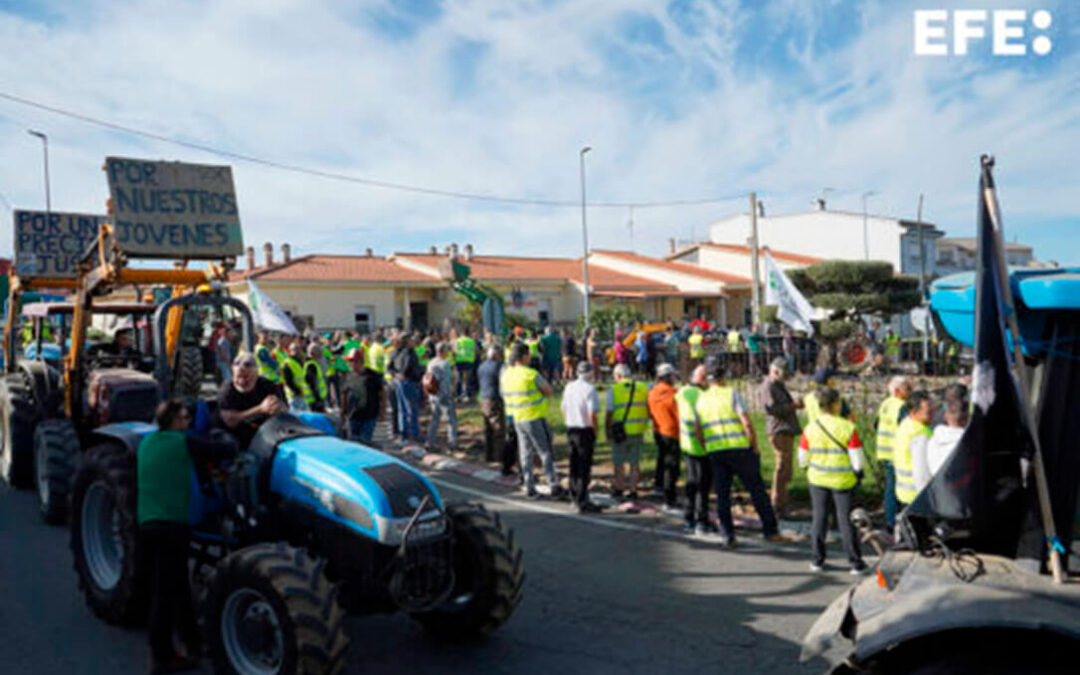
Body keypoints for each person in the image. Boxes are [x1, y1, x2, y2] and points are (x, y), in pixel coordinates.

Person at [139, 399, 236, 673]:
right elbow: (223, 450)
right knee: (164, 593)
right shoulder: (183, 442)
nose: (188, 422)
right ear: (172, 421)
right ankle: (160, 658)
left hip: (146, 524)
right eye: (184, 418)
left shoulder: (147, 443)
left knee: (178, 585)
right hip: (171, 527)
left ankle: (192, 642)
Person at [695, 363, 781, 547]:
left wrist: (706, 447)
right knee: (757, 490)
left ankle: (727, 535)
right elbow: (746, 423)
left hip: (716, 451)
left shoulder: (701, 399)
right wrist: (754, 445)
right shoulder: (731, 393)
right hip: (740, 449)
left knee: (722, 495)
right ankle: (770, 530)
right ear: (723, 377)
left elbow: (697, 430)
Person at [798, 387, 868, 574]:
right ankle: (855, 563)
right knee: (846, 522)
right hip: (842, 481)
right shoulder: (847, 427)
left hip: (818, 479)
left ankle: (817, 560)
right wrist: (858, 472)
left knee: (819, 519)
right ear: (836, 404)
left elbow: (802, 457)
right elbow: (857, 458)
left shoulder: (811, 428)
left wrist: (809, 469)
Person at [501, 343, 563, 499]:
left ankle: (529, 486)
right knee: (544, 451)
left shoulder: (506, 375)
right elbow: (548, 391)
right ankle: (553, 484)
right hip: (533, 416)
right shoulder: (531, 374)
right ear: (523, 357)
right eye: (528, 355)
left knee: (525, 453)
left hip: (517, 417)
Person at [759, 357, 803, 518]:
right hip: (779, 431)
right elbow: (771, 408)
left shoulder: (778, 385)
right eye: (785, 375)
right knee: (781, 468)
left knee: (786, 469)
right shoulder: (768, 387)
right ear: (775, 371)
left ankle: (782, 502)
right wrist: (793, 406)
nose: (787, 378)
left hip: (785, 430)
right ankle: (777, 504)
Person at [218, 353, 287, 449]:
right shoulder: (227, 390)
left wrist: (278, 408)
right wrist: (260, 409)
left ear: (256, 372)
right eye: (238, 377)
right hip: (236, 438)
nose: (241, 381)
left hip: (266, 433)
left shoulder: (268, 386)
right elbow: (229, 420)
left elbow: (285, 409)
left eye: (245, 377)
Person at [561, 361, 603, 513]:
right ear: (590, 373)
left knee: (574, 463)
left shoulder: (569, 387)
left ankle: (574, 495)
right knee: (584, 466)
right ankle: (582, 498)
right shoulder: (590, 389)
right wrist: (596, 431)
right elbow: (592, 413)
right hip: (585, 429)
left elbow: (564, 408)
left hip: (571, 428)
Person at [605, 363, 649, 500]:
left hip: (620, 431)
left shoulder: (614, 390)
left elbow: (609, 413)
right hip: (638, 429)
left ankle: (619, 487)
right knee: (634, 462)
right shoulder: (643, 387)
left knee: (619, 462)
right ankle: (633, 489)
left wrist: (607, 430)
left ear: (618, 376)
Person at [677, 364, 710, 534]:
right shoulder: (702, 395)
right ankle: (701, 520)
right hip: (702, 446)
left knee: (691, 482)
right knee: (702, 485)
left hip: (686, 443)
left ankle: (688, 516)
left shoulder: (682, 392)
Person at [875, 376, 911, 529]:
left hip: (885, 451)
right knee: (899, 489)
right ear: (897, 391)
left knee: (890, 487)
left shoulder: (885, 404)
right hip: (897, 453)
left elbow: (876, 424)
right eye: (907, 388)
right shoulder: (902, 406)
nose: (910, 391)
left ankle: (890, 520)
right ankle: (896, 522)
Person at [648, 363, 682, 514]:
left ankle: (659, 485)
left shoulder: (653, 392)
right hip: (672, 432)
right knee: (672, 465)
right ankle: (670, 496)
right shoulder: (673, 393)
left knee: (661, 459)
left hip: (657, 430)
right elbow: (679, 415)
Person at [893, 390, 936, 508]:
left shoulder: (906, 425)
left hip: (904, 492)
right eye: (928, 412)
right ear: (914, 412)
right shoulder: (919, 435)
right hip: (917, 496)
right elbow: (921, 473)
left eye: (933, 409)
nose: (934, 414)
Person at [478, 345, 513, 474]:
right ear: (496, 355)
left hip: (484, 398)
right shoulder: (499, 366)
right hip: (495, 399)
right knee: (499, 429)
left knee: (488, 428)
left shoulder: (481, 366)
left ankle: (488, 455)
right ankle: (499, 457)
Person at [340, 348, 383, 443]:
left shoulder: (372, 376)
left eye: (352, 361)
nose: (350, 364)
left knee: (365, 442)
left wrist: (382, 412)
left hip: (369, 416)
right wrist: (342, 413)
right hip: (353, 415)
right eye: (349, 362)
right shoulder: (347, 376)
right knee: (353, 443)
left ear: (360, 361)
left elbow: (382, 393)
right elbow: (344, 394)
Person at [425, 342, 458, 450]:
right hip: (443, 395)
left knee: (435, 418)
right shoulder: (445, 364)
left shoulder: (430, 363)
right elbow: (446, 382)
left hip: (433, 394)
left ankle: (430, 441)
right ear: (443, 351)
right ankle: (452, 443)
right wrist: (450, 394)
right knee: (451, 419)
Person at [391, 333, 424, 442]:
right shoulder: (409, 352)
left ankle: (403, 432)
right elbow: (408, 366)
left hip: (399, 381)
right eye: (411, 339)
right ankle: (414, 434)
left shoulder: (395, 351)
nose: (414, 341)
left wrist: (395, 374)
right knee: (412, 408)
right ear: (407, 341)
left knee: (402, 408)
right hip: (409, 381)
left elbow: (389, 366)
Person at [279, 341, 313, 410]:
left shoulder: (300, 361)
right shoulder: (287, 363)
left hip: (303, 395)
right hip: (294, 395)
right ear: (290, 351)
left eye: (298, 349)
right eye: (295, 349)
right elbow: (287, 381)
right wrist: (297, 391)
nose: (298, 351)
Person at [304, 343, 329, 413]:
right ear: (313, 353)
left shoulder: (312, 363)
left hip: (316, 398)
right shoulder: (311, 365)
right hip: (315, 399)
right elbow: (312, 384)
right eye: (319, 352)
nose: (321, 354)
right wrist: (318, 400)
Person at [454, 330, 478, 402]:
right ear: (468, 333)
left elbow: (454, 351)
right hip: (469, 361)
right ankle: (467, 395)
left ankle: (459, 395)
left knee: (459, 378)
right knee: (468, 379)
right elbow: (476, 350)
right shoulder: (471, 341)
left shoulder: (457, 341)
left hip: (459, 361)